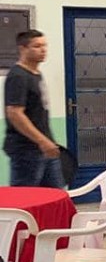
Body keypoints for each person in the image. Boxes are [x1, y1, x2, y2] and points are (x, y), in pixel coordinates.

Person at [3, 29, 64, 188]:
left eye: (44, 45)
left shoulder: (36, 74)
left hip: (45, 148)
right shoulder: (18, 76)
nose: (43, 50)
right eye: (37, 46)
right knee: (25, 196)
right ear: (23, 49)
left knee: (55, 195)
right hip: (26, 150)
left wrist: (48, 141)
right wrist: (42, 141)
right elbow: (15, 113)